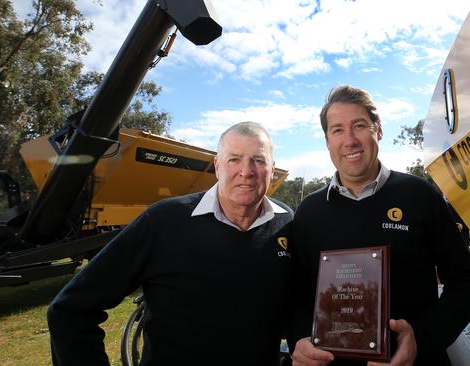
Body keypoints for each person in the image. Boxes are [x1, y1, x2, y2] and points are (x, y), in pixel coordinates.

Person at [47, 122, 294, 365]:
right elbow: (70, 310)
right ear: (217, 167)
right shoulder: (163, 221)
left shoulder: (286, 222)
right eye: (234, 159)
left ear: (272, 169)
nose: (246, 171)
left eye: (258, 161)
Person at [289, 86, 470, 366]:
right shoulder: (308, 212)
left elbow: (466, 282)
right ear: (327, 140)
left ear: (378, 130)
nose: (350, 140)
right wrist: (299, 338)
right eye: (337, 130)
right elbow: (295, 295)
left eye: (359, 126)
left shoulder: (420, 196)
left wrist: (423, 339)